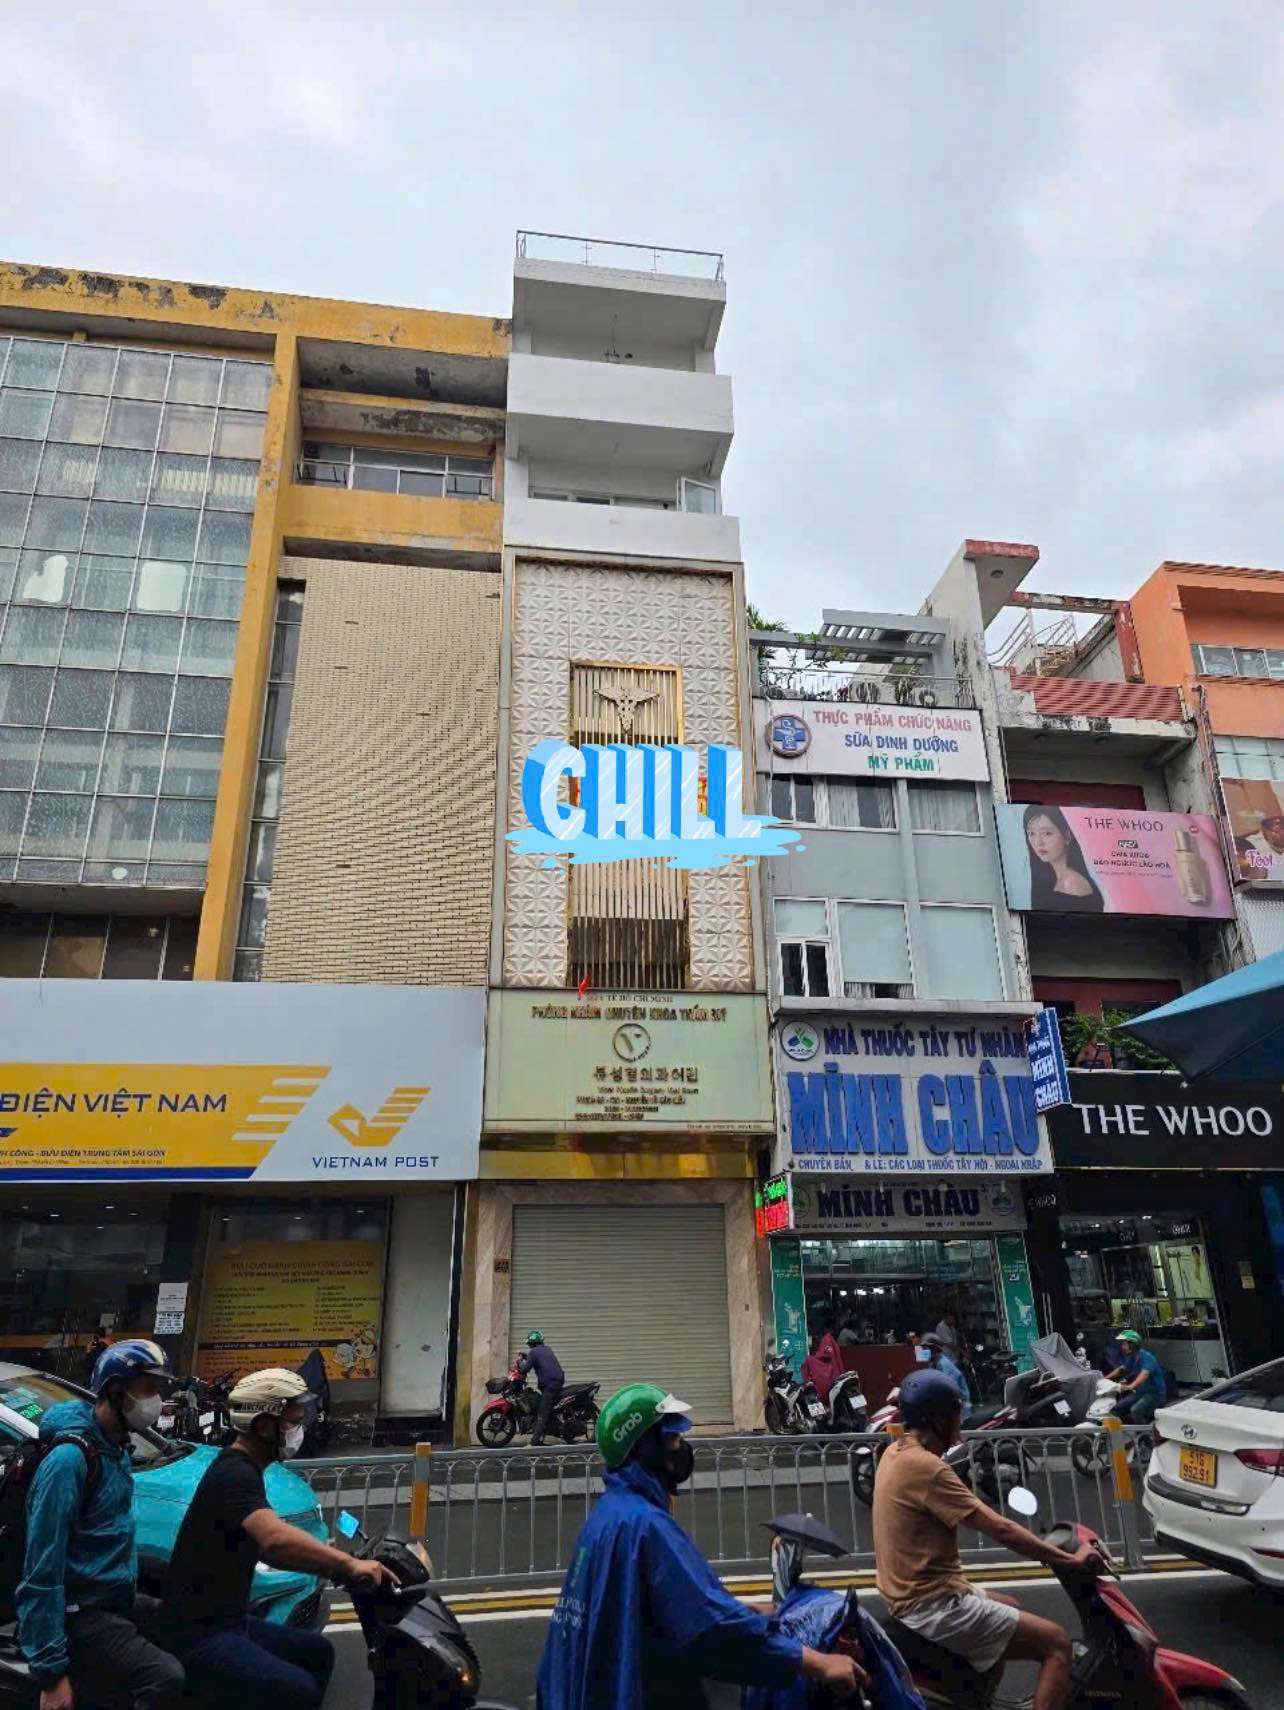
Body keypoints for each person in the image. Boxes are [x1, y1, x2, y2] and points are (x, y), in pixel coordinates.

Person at [536, 1382, 862, 1709]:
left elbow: (671, 1606)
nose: (682, 1449)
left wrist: (740, 1610)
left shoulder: (609, 1515)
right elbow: (711, 1630)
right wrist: (818, 1663)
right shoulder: (645, 1526)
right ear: (647, 1447)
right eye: (674, 1439)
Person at [162, 1367, 394, 1710]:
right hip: (201, 1634)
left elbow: (269, 1550)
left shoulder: (247, 1469)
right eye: (294, 1422)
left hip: (229, 1620)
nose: (300, 1430)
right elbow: (273, 1539)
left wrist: (331, 1568)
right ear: (265, 1426)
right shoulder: (235, 1474)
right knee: (298, 1690)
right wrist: (347, 1564)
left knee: (318, 1652)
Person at [873, 1369, 1101, 1710]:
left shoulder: (895, 1453)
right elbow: (1001, 1529)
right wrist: (1068, 1559)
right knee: (1057, 1644)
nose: (960, 1425)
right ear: (938, 1419)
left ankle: (979, 1699)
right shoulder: (926, 1467)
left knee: (1010, 1605)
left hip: (912, 1595)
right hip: (933, 1604)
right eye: (956, 1415)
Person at [18, 1338, 185, 1710]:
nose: (156, 1400)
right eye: (148, 1388)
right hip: (79, 1613)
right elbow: (41, 1570)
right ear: (115, 1390)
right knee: (165, 1677)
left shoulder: (115, 1447)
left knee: (190, 1624)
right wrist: (51, 1674)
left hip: (111, 1598)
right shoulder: (69, 1461)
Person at [1022, 806, 1105, 912]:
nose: (1038, 842)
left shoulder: (1073, 884)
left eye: (1047, 833)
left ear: (1067, 837)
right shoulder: (1050, 879)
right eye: (1031, 833)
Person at [1104, 1330, 1167, 1424]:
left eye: (1124, 1344)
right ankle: (1118, 1430)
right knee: (1115, 1408)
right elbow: (1121, 1370)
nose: (1122, 1347)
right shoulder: (1132, 1357)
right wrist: (1104, 1378)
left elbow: (1144, 1374)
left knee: (1135, 1411)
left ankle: (1145, 1432)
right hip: (1140, 1392)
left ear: (1132, 1345)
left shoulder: (1147, 1357)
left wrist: (1131, 1386)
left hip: (1155, 1395)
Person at [518, 1331, 565, 1447]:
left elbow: (525, 1369)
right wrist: (526, 1357)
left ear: (532, 1344)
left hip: (550, 1385)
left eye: (529, 1344)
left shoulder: (533, 1352)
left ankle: (534, 1441)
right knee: (546, 1406)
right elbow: (536, 1359)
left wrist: (519, 1361)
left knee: (542, 1413)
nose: (529, 1346)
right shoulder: (547, 1349)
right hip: (557, 1382)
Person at [920, 1333, 973, 1421]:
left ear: (935, 1349)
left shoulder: (944, 1365)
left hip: (959, 1411)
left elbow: (948, 1390)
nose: (923, 1352)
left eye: (926, 1349)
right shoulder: (933, 1364)